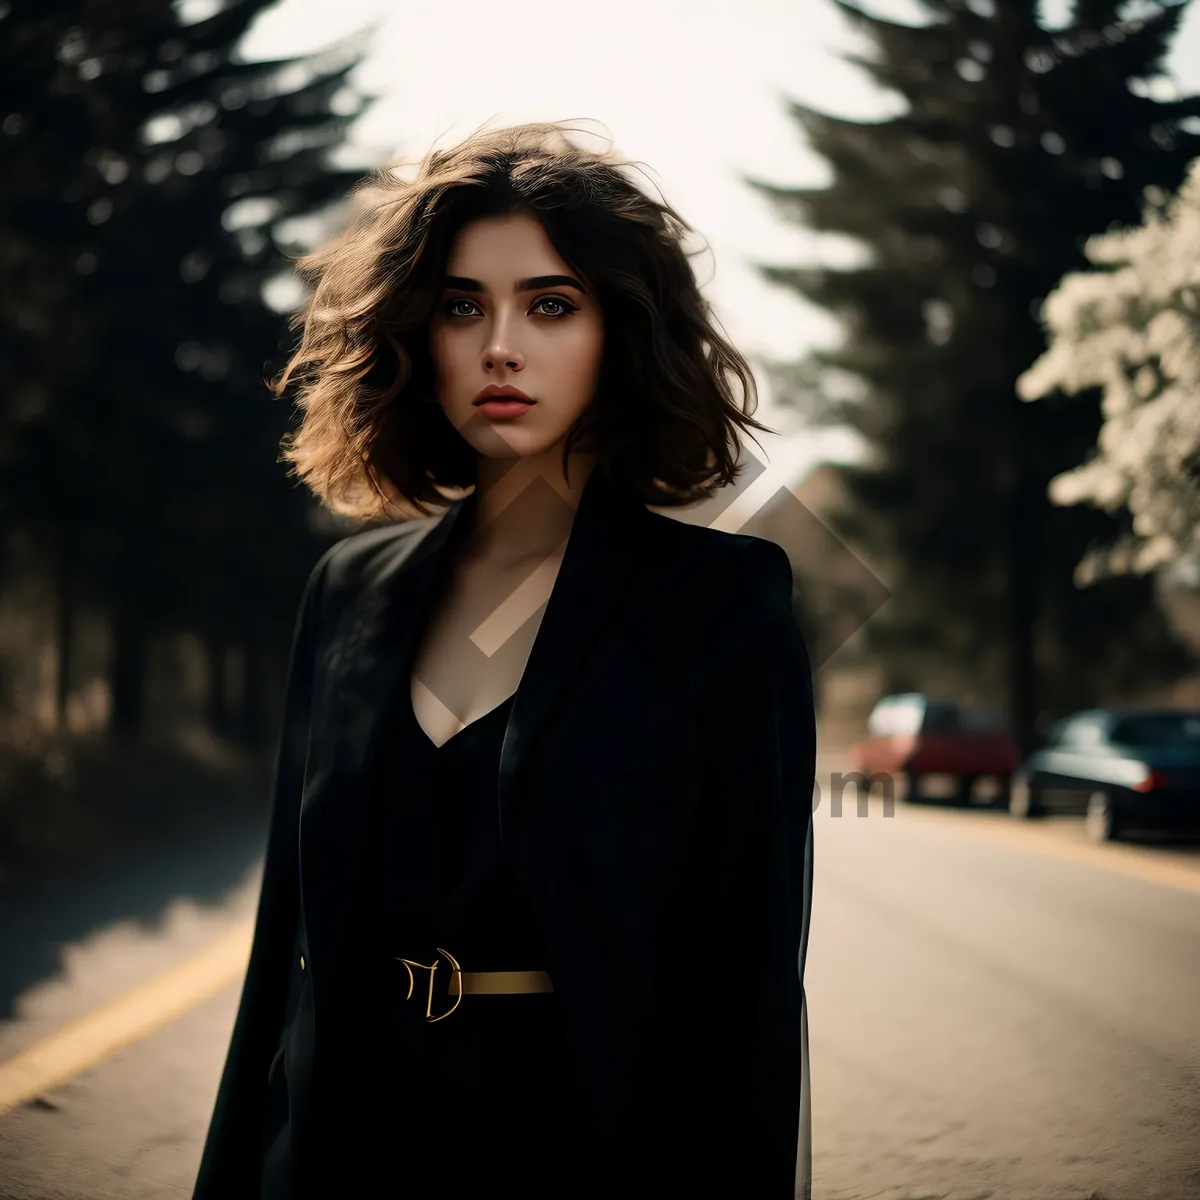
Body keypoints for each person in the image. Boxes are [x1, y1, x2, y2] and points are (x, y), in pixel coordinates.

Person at [192, 120, 816, 1200]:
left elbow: (749, 985)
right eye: (462, 306)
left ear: (619, 332)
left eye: (551, 305)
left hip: (589, 1152)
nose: (500, 347)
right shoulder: (347, 592)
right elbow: (281, 946)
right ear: (417, 333)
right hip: (342, 1142)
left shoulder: (721, 605)